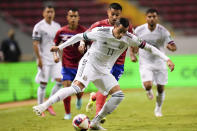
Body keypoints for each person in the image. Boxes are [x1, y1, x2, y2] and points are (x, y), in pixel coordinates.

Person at [33, 18, 175, 130]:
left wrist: (167, 59)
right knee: (77, 88)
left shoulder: (129, 37)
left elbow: (150, 48)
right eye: (120, 31)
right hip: (89, 63)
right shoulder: (101, 31)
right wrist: (59, 47)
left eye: (124, 32)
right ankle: (44, 105)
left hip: (103, 70)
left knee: (119, 96)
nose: (121, 35)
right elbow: (78, 37)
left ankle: (95, 122)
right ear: (115, 26)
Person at [84, 3, 137, 123]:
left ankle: (94, 97)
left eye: (117, 15)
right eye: (112, 14)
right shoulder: (99, 25)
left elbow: (134, 40)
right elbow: (86, 35)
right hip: (103, 62)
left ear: (120, 15)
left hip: (118, 63)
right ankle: (98, 114)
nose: (114, 17)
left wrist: (133, 54)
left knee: (108, 90)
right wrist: (83, 45)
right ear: (108, 12)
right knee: (108, 89)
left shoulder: (125, 26)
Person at [135, 8, 177, 117]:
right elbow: (132, 42)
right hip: (145, 61)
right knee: (148, 85)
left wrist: (171, 47)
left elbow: (173, 46)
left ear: (157, 18)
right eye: (149, 17)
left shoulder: (163, 31)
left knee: (160, 88)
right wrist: (132, 54)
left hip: (159, 61)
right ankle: (148, 90)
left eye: (154, 16)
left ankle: (158, 109)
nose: (152, 19)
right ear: (146, 18)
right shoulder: (139, 30)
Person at [53, 8, 88, 120]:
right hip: (66, 65)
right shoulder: (61, 32)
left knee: (78, 90)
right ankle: (67, 113)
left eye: (75, 16)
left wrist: (84, 48)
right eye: (71, 16)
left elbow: (92, 45)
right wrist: (55, 56)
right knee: (66, 88)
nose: (73, 18)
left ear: (78, 18)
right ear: (67, 17)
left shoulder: (84, 31)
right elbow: (55, 46)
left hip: (80, 66)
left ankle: (78, 98)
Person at [32, 5, 62, 117]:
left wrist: (61, 57)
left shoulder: (57, 26)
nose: (50, 14)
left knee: (60, 80)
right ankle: (40, 107)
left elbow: (58, 43)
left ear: (54, 13)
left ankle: (48, 103)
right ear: (43, 13)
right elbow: (35, 44)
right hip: (44, 59)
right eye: (48, 12)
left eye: (52, 12)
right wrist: (39, 59)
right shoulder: (39, 26)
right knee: (43, 83)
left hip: (55, 58)